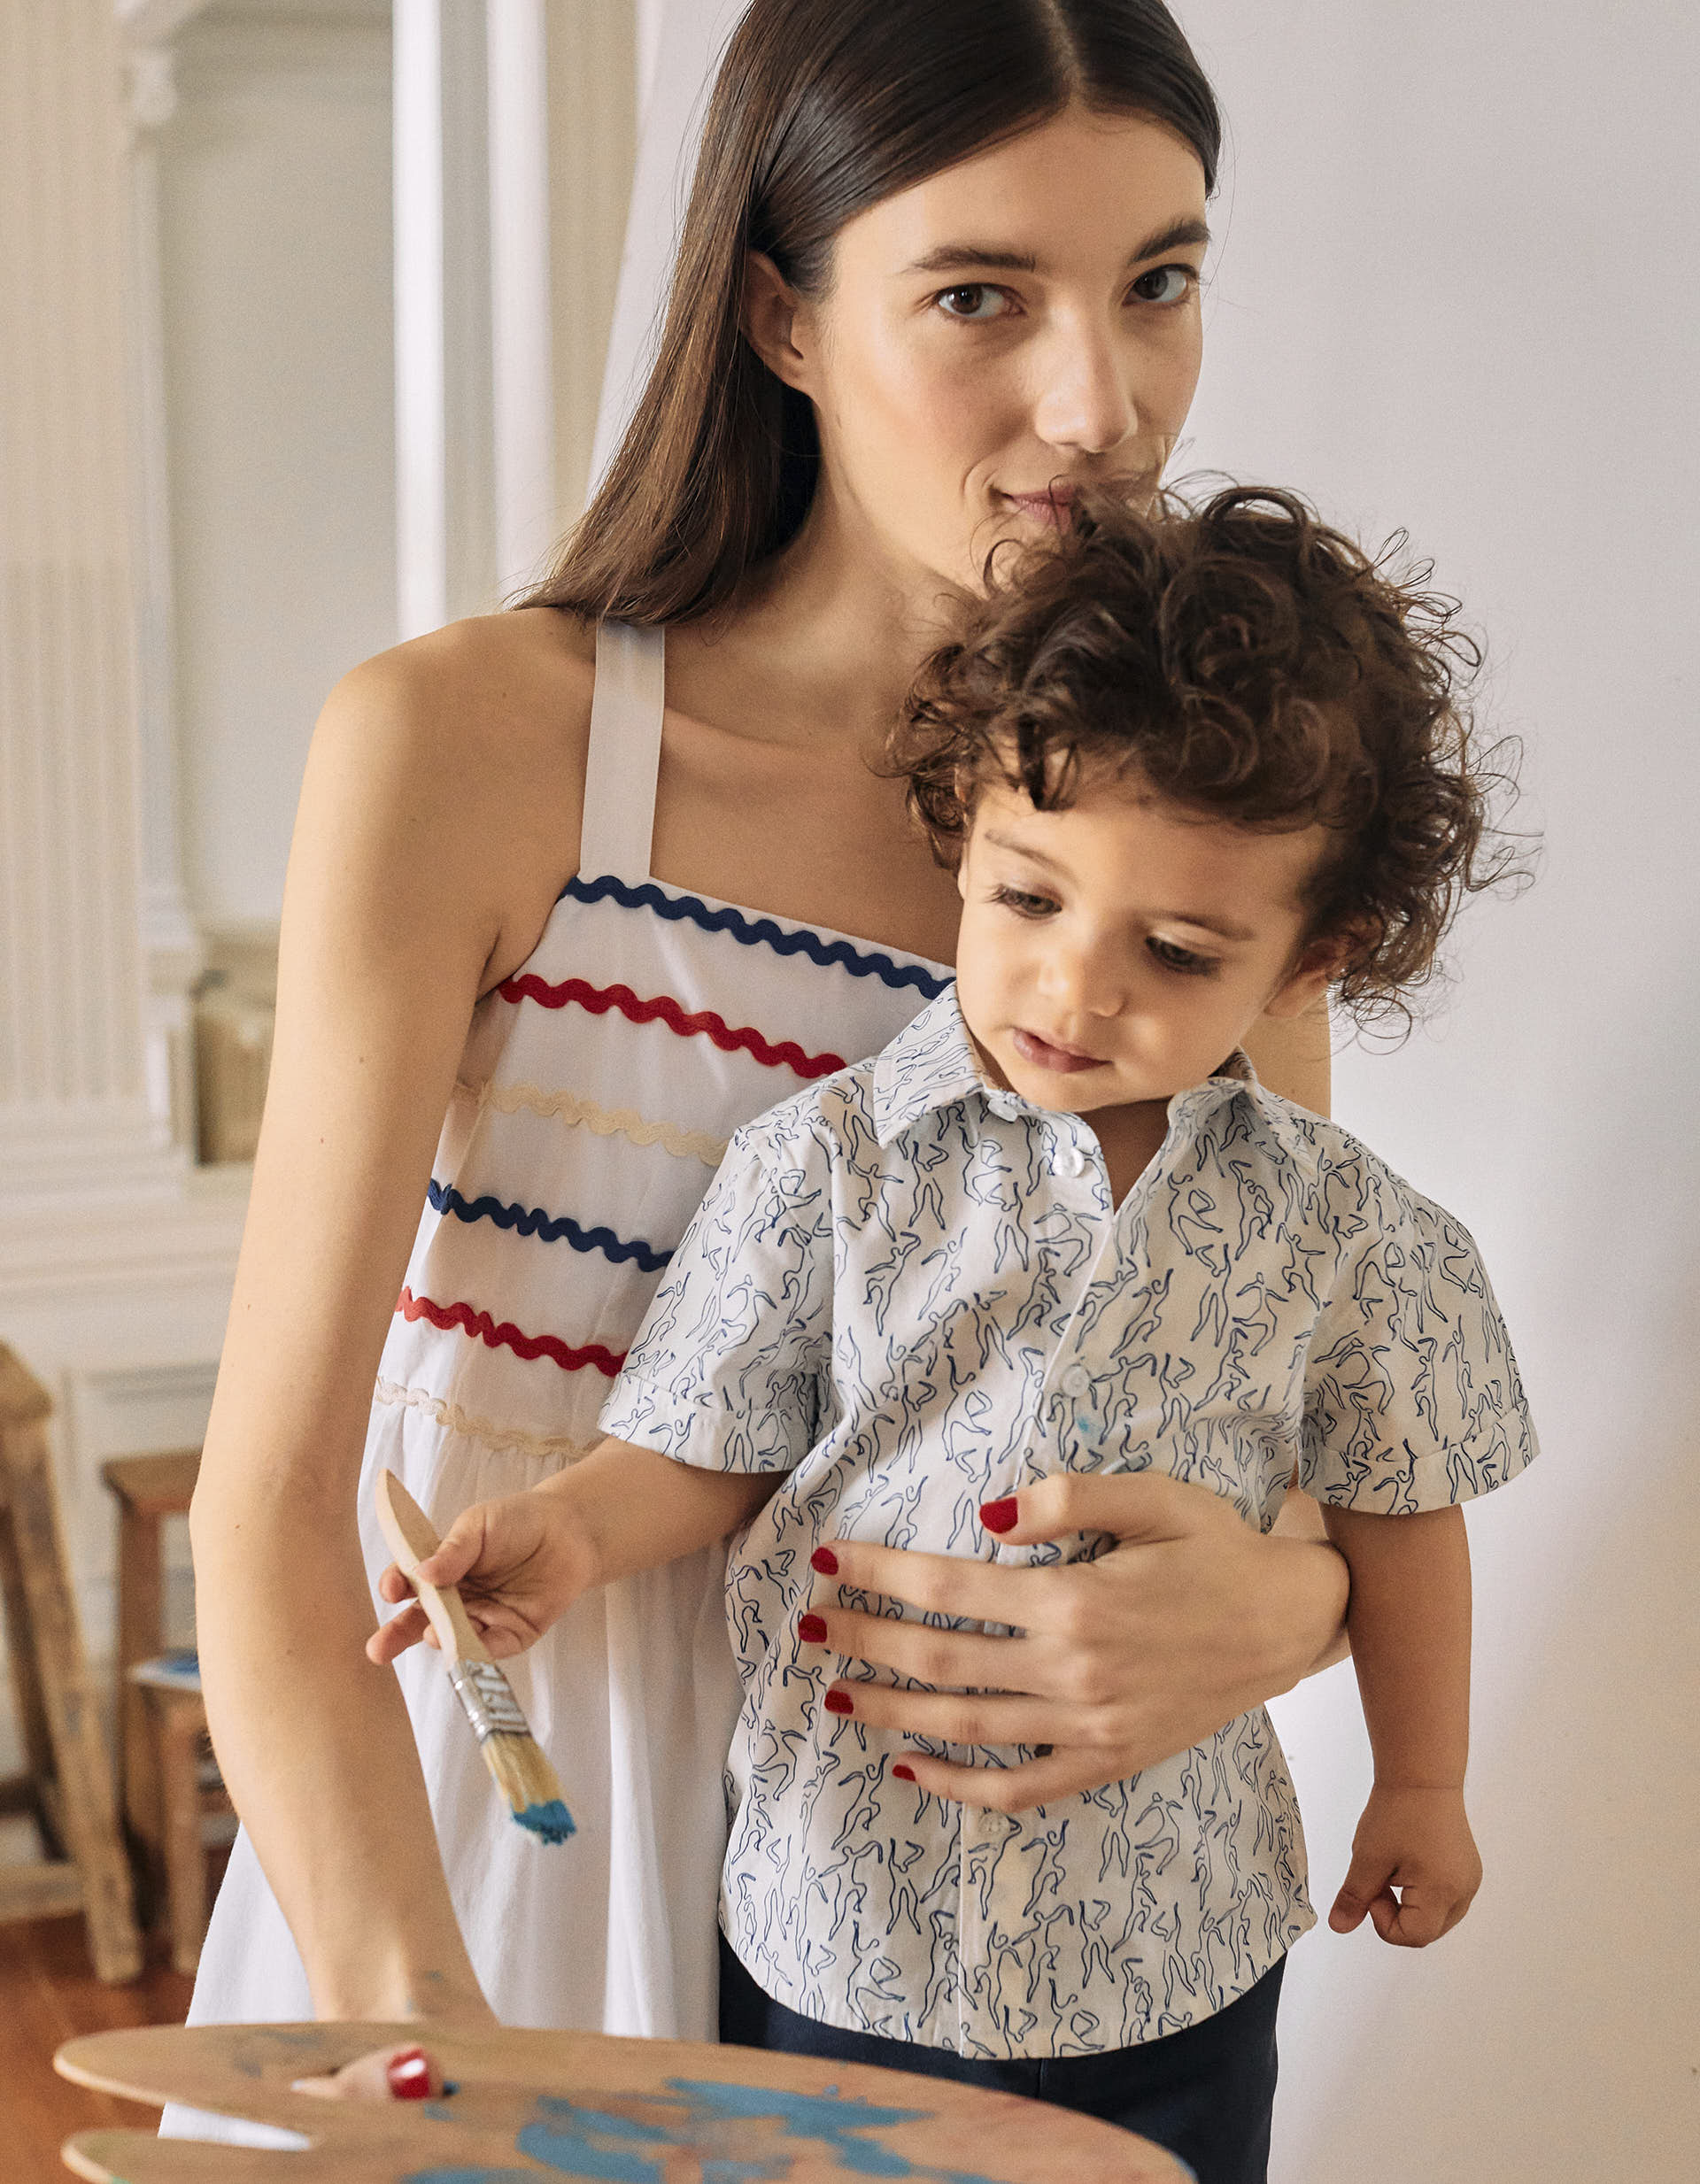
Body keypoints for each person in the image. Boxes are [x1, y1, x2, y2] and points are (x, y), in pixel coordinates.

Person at [180, 0, 1350, 2102]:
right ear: (780, 316)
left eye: (1159, 283)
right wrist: (426, 2025)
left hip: (1002, 1928)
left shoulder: (1206, 844)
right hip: (521, 1881)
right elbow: (266, 1511)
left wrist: (1290, 1609)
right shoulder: (482, 747)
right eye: (980, 295)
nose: (1102, 401)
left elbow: (1271, 1432)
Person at [369, 486, 1535, 2184]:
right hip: (845, 1927)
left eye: (1177, 948)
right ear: (965, 837)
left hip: (1177, 1952)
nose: (1074, 990)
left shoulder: (1352, 1236)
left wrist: (1420, 1784)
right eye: (1030, 901)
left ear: (1311, 957)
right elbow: (707, 1445)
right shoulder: (821, 1166)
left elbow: (1400, 1517)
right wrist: (565, 1528)